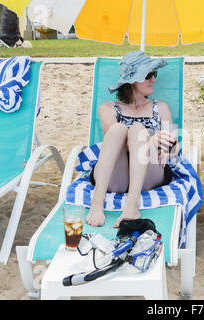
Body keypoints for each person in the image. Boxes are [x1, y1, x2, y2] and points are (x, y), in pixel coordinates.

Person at [87, 51, 178, 228]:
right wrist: (151, 140)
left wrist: (169, 149)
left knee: (137, 130)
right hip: (116, 176)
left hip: (149, 174)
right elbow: (113, 144)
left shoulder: (161, 107)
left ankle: (131, 206)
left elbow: (174, 146)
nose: (153, 79)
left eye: (154, 74)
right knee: (119, 130)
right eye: (148, 75)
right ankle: (97, 203)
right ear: (132, 80)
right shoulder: (108, 109)